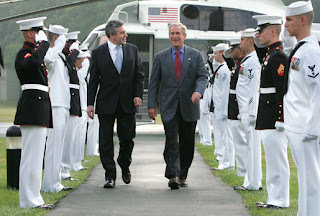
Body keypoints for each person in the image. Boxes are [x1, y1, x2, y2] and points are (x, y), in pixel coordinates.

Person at [148, 23, 208, 189]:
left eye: (178, 33)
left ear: (184, 36)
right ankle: (172, 174)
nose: (175, 36)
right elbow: (154, 83)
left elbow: (202, 77)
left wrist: (198, 92)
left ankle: (183, 174)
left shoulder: (195, 56)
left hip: (189, 105)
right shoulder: (161, 57)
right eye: (172, 33)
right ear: (169, 36)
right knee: (171, 140)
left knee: (187, 143)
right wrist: (151, 105)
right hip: (169, 105)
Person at [87, 20, 144, 188]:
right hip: (106, 102)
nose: (125, 35)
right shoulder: (98, 53)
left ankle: (124, 164)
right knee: (105, 140)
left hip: (127, 103)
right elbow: (93, 80)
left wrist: (138, 95)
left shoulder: (132, 50)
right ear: (112, 35)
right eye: (122, 33)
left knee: (127, 139)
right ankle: (109, 175)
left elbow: (139, 75)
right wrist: (90, 104)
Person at [283, 1, 320, 215]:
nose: (285, 25)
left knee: (311, 180)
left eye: (289, 20)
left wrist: (313, 128)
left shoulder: (310, 52)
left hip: (306, 127)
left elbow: (317, 91)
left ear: (302, 20)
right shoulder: (300, 49)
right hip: (297, 124)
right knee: (305, 180)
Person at [14, 16, 54, 209]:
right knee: (31, 157)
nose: (42, 34)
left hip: (39, 108)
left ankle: (34, 198)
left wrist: (42, 45)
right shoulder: (24, 53)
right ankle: (28, 200)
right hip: (32, 109)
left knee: (37, 158)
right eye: (40, 31)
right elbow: (33, 62)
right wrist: (44, 43)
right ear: (31, 33)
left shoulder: (34, 52)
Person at [253, 15, 290, 209]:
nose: (257, 34)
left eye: (261, 31)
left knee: (277, 159)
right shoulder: (270, 54)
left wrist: (280, 117)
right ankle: (273, 198)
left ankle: (280, 200)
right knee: (272, 159)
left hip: (273, 116)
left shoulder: (278, 56)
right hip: (267, 114)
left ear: (273, 31)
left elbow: (282, 90)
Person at [42, 24, 74, 192]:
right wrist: (58, 43)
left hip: (63, 103)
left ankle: (54, 181)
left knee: (58, 145)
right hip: (55, 103)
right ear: (56, 38)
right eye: (64, 38)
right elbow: (47, 59)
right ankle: (50, 184)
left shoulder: (60, 56)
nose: (66, 42)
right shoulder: (51, 55)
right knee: (54, 145)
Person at [233, 28, 262, 191]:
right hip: (244, 109)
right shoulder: (248, 60)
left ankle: (253, 182)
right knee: (251, 147)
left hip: (250, 110)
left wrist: (252, 111)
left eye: (243, 39)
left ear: (250, 41)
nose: (240, 43)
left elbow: (253, 86)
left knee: (253, 147)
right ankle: (251, 180)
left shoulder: (252, 61)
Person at [61, 31, 83, 180]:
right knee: (66, 139)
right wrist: (74, 51)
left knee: (70, 139)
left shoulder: (70, 63)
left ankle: (65, 169)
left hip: (73, 102)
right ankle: (63, 170)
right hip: (68, 102)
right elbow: (70, 61)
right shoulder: (64, 60)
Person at [211, 43, 233, 170]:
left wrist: (224, 110)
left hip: (222, 106)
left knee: (226, 135)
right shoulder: (220, 68)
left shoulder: (225, 70)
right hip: (218, 106)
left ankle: (228, 162)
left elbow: (225, 91)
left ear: (222, 53)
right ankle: (223, 159)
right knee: (221, 134)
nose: (214, 56)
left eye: (216, 53)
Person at [227, 39, 248, 177]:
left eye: (233, 49)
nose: (231, 52)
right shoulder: (237, 65)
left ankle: (245, 171)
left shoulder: (243, 64)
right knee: (238, 141)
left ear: (240, 49)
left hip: (238, 106)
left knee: (242, 141)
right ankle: (242, 171)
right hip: (234, 106)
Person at [73, 50, 90, 171]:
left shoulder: (80, 74)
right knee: (76, 136)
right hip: (79, 108)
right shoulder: (77, 74)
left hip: (83, 108)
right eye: (82, 60)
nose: (84, 62)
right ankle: (75, 161)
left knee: (80, 136)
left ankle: (78, 160)